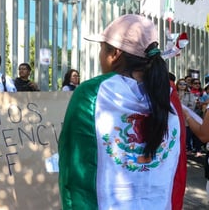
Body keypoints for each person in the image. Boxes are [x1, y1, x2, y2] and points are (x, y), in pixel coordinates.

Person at [58, 14, 186, 210]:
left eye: (101, 48)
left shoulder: (91, 94)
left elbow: (73, 170)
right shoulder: (168, 93)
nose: (100, 56)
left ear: (115, 54)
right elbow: (178, 169)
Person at [176, 78, 197, 154]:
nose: (182, 85)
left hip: (185, 118)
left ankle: (187, 148)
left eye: (184, 84)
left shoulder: (190, 95)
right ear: (177, 85)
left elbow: (192, 106)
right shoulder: (174, 94)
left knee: (186, 134)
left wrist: (184, 110)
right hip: (176, 117)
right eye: (180, 84)